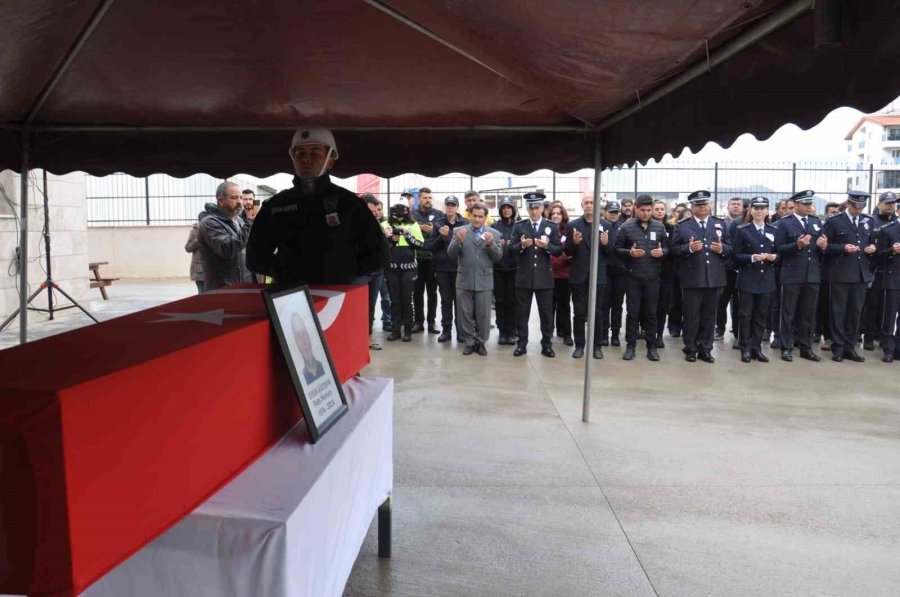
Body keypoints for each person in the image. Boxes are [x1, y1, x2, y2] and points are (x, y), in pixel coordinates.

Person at [246, 127, 388, 286]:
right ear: (293, 158)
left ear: (330, 160)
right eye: (300, 153)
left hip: (339, 295)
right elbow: (255, 257)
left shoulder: (350, 204)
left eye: (315, 153)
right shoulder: (276, 205)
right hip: (291, 295)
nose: (306, 159)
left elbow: (378, 255)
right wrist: (286, 272)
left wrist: (343, 274)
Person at [670, 190, 732, 363]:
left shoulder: (719, 224)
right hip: (692, 278)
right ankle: (690, 348)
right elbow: (673, 251)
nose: (702, 207)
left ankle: (705, 348)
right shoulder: (682, 226)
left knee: (709, 316)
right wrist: (688, 248)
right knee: (691, 316)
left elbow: (730, 248)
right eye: (698, 205)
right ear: (692, 206)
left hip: (714, 277)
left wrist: (723, 249)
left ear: (709, 205)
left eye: (705, 204)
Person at [822, 190, 877, 362]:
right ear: (848, 203)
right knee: (838, 312)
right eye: (855, 206)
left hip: (860, 274)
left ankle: (850, 347)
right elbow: (824, 247)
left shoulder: (868, 221)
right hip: (840, 274)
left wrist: (872, 248)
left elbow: (872, 241)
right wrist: (842, 248)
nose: (858, 210)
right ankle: (838, 347)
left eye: (861, 207)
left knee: (855, 313)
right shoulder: (834, 221)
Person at [772, 190, 827, 362]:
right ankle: (786, 347)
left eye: (810, 203)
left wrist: (824, 247)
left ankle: (806, 347)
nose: (809, 207)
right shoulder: (784, 223)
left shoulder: (816, 222)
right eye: (805, 204)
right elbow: (779, 249)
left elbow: (820, 250)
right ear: (795, 205)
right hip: (792, 274)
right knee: (788, 313)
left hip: (812, 275)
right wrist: (797, 245)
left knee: (808, 314)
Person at [614, 194, 668, 361]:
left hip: (653, 277)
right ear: (636, 209)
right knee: (633, 312)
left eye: (649, 210)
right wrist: (629, 253)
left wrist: (662, 252)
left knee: (651, 313)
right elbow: (617, 249)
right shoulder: (627, 227)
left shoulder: (659, 227)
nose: (646, 213)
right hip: (633, 277)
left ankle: (651, 347)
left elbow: (668, 249)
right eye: (642, 210)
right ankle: (630, 346)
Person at [510, 192, 562, 357]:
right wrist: (522, 246)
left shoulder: (551, 226)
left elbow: (558, 250)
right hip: (524, 276)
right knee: (522, 313)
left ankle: (547, 344)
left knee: (546, 314)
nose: (534, 211)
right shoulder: (519, 226)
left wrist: (546, 246)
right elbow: (511, 249)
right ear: (527, 209)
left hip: (544, 277)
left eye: (536, 208)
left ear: (542, 209)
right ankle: (522, 344)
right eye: (531, 208)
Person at [447, 202, 503, 355]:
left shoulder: (494, 234)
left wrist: (491, 244)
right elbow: (451, 254)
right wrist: (457, 241)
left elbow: (498, 257)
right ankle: (469, 342)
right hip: (464, 279)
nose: (477, 219)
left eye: (480, 216)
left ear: (485, 218)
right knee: (464, 313)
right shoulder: (459, 231)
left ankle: (481, 342)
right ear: (470, 216)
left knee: (483, 314)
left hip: (484, 280)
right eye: (474, 216)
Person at [566, 195, 612, 359]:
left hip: (598, 277)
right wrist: (574, 243)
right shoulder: (573, 226)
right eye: (586, 203)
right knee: (579, 312)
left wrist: (606, 244)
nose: (589, 205)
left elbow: (611, 253)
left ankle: (596, 346)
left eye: (592, 202)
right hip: (579, 277)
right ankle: (579, 345)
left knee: (597, 313)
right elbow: (567, 251)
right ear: (582, 205)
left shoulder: (606, 226)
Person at [733, 197, 779, 363]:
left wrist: (774, 257)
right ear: (750, 210)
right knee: (746, 315)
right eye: (756, 208)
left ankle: (756, 348)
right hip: (748, 278)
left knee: (761, 316)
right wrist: (752, 258)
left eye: (762, 208)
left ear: (767, 211)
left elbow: (779, 253)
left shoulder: (774, 230)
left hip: (766, 279)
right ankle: (745, 348)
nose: (759, 211)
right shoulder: (742, 230)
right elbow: (735, 256)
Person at [425, 195, 469, 342]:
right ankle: (446, 330)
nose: (450, 208)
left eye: (453, 205)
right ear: (445, 206)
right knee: (446, 301)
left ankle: (461, 331)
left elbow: (469, 246)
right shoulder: (438, 224)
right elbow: (430, 247)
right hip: (442, 269)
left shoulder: (465, 223)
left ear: (457, 207)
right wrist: (441, 237)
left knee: (460, 302)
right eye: (448, 205)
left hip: (460, 268)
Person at [861, 192, 899, 350]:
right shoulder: (871, 221)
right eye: (887, 203)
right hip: (875, 269)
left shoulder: (896, 222)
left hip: (893, 270)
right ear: (879, 204)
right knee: (873, 303)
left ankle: (883, 337)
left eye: (893, 203)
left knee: (888, 307)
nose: (891, 205)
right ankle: (869, 335)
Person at [199, 182, 253, 292]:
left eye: (240, 197)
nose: (239, 202)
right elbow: (227, 249)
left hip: (243, 286)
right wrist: (249, 223)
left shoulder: (239, 220)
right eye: (234, 198)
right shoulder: (209, 223)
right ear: (221, 200)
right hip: (223, 289)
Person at [382, 203, 425, 342]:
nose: (399, 217)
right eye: (396, 213)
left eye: (402, 213)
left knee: (407, 300)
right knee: (394, 301)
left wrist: (407, 235)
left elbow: (420, 245)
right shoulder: (385, 224)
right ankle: (395, 330)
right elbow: (380, 247)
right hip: (391, 269)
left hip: (409, 269)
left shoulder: (413, 225)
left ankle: (407, 330)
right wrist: (388, 239)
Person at [410, 187, 442, 334]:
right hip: (417, 259)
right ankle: (418, 322)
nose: (428, 200)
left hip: (432, 259)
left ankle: (431, 322)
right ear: (419, 199)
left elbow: (443, 231)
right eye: (425, 198)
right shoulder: (412, 215)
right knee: (417, 292)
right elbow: (407, 231)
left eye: (429, 198)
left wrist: (433, 229)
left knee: (432, 293)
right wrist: (419, 227)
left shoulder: (439, 214)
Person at [870, 206, 900, 362]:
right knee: (889, 315)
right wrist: (892, 251)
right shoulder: (889, 230)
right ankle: (888, 349)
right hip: (893, 278)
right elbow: (877, 256)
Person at [716, 197, 746, 342]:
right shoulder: (721, 224)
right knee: (721, 301)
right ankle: (719, 329)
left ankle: (737, 331)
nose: (736, 206)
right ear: (727, 207)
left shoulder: (746, 223)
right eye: (733, 204)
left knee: (739, 303)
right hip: (725, 269)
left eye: (738, 204)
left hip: (741, 268)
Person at [493, 196, 520, 346]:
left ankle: (512, 331)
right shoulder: (495, 226)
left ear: (513, 209)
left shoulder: (519, 225)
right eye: (504, 208)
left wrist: (515, 244)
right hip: (498, 269)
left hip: (514, 269)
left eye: (509, 207)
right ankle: (502, 331)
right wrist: (497, 244)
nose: (507, 210)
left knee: (512, 301)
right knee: (500, 301)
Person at [364, 194, 392, 334]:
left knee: (371, 306)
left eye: (377, 210)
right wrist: (383, 236)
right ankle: (362, 336)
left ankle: (367, 336)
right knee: (361, 306)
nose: (375, 213)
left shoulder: (379, 224)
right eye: (372, 210)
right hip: (363, 273)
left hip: (378, 271)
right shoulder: (358, 226)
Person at [600, 201, 626, 346]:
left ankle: (615, 334)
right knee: (604, 304)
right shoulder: (601, 226)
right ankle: (604, 333)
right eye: (611, 212)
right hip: (605, 270)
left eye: (616, 212)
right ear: (606, 212)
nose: (614, 215)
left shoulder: (623, 227)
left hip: (620, 271)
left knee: (617, 305)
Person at [548, 202, 573, 346]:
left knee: (564, 305)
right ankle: (548, 332)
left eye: (558, 213)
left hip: (564, 275)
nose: (556, 216)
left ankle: (566, 334)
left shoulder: (568, 230)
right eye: (553, 214)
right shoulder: (546, 230)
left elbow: (571, 249)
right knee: (549, 306)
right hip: (549, 274)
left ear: (563, 215)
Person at [652, 200, 675, 347]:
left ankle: (659, 334)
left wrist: (665, 251)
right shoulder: (647, 226)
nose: (659, 211)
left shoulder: (671, 228)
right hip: (650, 269)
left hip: (666, 271)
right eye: (657, 209)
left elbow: (674, 247)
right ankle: (648, 332)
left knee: (662, 305)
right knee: (649, 304)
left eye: (662, 209)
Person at [291, 313, 326, 384]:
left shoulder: (325, 367)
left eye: (304, 333)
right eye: (298, 336)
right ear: (296, 345)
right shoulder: (301, 379)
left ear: (309, 337)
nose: (303, 341)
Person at [185, 211, 207, 293]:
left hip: (211, 268)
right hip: (199, 269)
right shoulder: (194, 231)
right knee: (202, 292)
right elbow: (188, 248)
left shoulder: (213, 230)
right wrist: (197, 240)